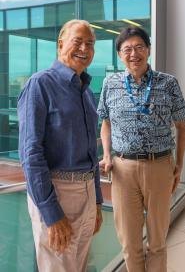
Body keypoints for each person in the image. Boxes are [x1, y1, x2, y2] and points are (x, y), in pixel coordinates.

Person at [97, 26, 185, 272]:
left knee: (158, 241)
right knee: (129, 242)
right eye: (127, 49)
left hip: (159, 165)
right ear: (119, 54)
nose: (133, 54)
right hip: (122, 169)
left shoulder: (168, 83)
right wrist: (107, 155)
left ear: (148, 50)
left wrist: (178, 163)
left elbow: (182, 127)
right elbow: (105, 124)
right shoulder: (110, 83)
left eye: (139, 47)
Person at [17, 19, 103, 272]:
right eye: (78, 41)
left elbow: (91, 150)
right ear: (60, 43)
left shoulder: (85, 91)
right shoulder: (39, 85)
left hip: (86, 194)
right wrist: (52, 213)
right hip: (58, 194)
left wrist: (97, 200)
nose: (85, 48)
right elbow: (31, 154)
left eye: (90, 43)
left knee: (79, 266)